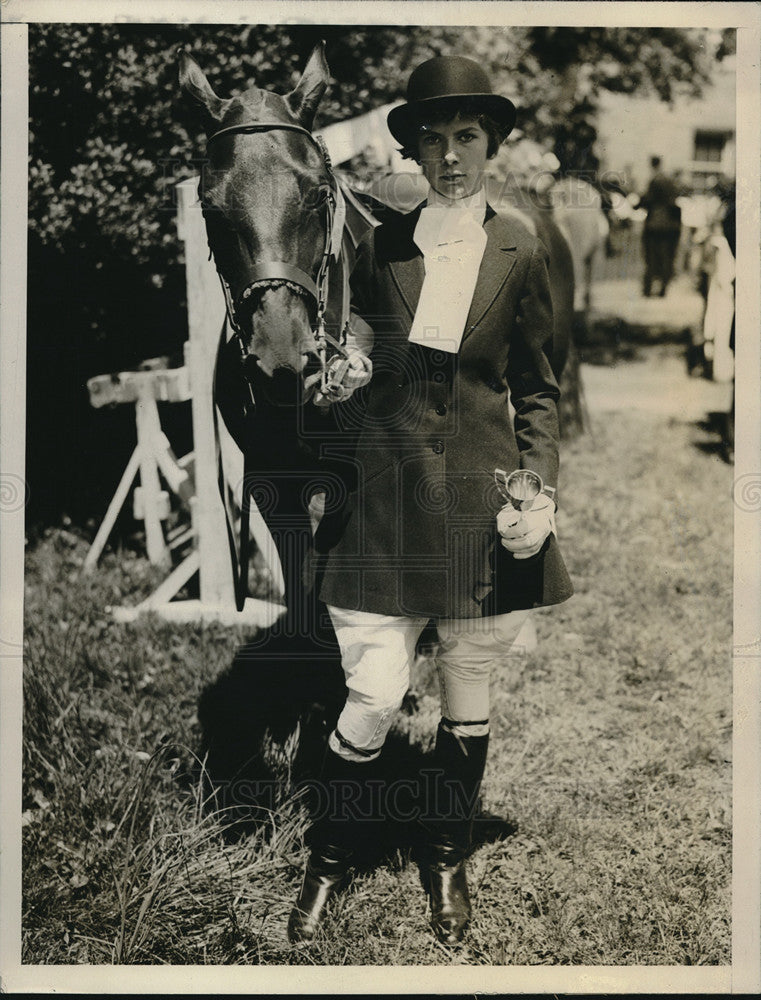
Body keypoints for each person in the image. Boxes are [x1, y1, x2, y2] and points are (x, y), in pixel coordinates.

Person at [288, 55, 573, 946]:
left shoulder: (522, 246)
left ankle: (446, 860)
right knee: (371, 695)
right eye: (433, 140)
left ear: (489, 145)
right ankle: (329, 860)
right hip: (386, 503)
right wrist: (343, 370)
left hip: (480, 508)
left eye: (466, 137)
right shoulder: (380, 246)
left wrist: (537, 491)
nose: (449, 156)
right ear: (410, 149)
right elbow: (359, 340)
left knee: (466, 690)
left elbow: (536, 386)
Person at [640, 155, 682, 297]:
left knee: (651, 257)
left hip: (655, 224)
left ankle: (647, 289)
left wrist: (639, 203)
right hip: (669, 225)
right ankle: (663, 288)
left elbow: (648, 200)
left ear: (652, 164)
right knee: (666, 257)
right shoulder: (669, 180)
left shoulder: (655, 180)